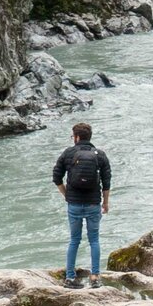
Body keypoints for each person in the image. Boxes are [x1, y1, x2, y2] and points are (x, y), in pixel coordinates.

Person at [52, 122, 112, 285]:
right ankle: (95, 277)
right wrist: (105, 203)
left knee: (74, 240)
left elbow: (56, 177)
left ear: (77, 137)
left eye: (73, 136)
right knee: (94, 240)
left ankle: (70, 277)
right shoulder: (100, 155)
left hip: (74, 204)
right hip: (93, 204)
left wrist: (67, 195)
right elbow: (106, 182)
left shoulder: (69, 153)